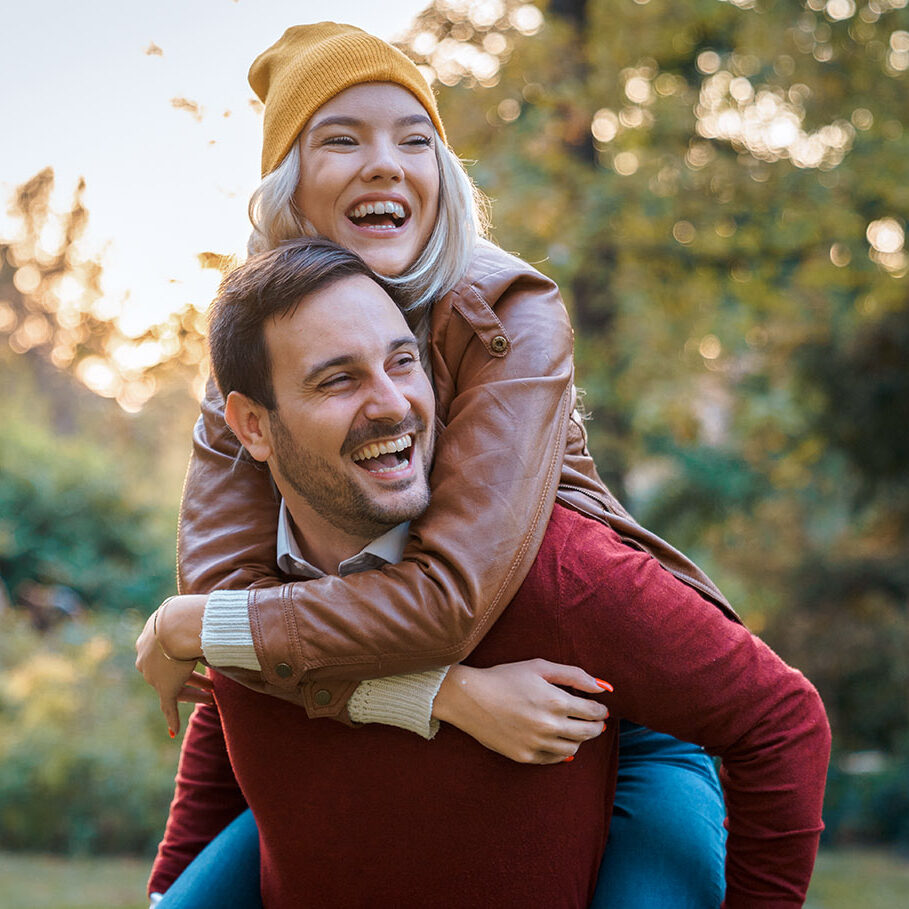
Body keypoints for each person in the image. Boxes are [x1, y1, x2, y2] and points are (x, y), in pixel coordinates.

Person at [135, 21, 773, 906]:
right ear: (289, 188)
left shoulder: (505, 313)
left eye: (414, 137)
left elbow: (443, 599)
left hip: (611, 708)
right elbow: (237, 611)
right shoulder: (252, 359)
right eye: (342, 138)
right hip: (375, 678)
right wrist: (442, 696)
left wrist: (189, 625)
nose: (386, 163)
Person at [147, 238, 828, 907]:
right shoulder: (240, 597)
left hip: (641, 746)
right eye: (338, 378)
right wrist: (446, 694)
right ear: (252, 426)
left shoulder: (560, 570)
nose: (391, 402)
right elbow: (234, 723)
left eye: (402, 361)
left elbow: (781, 720)